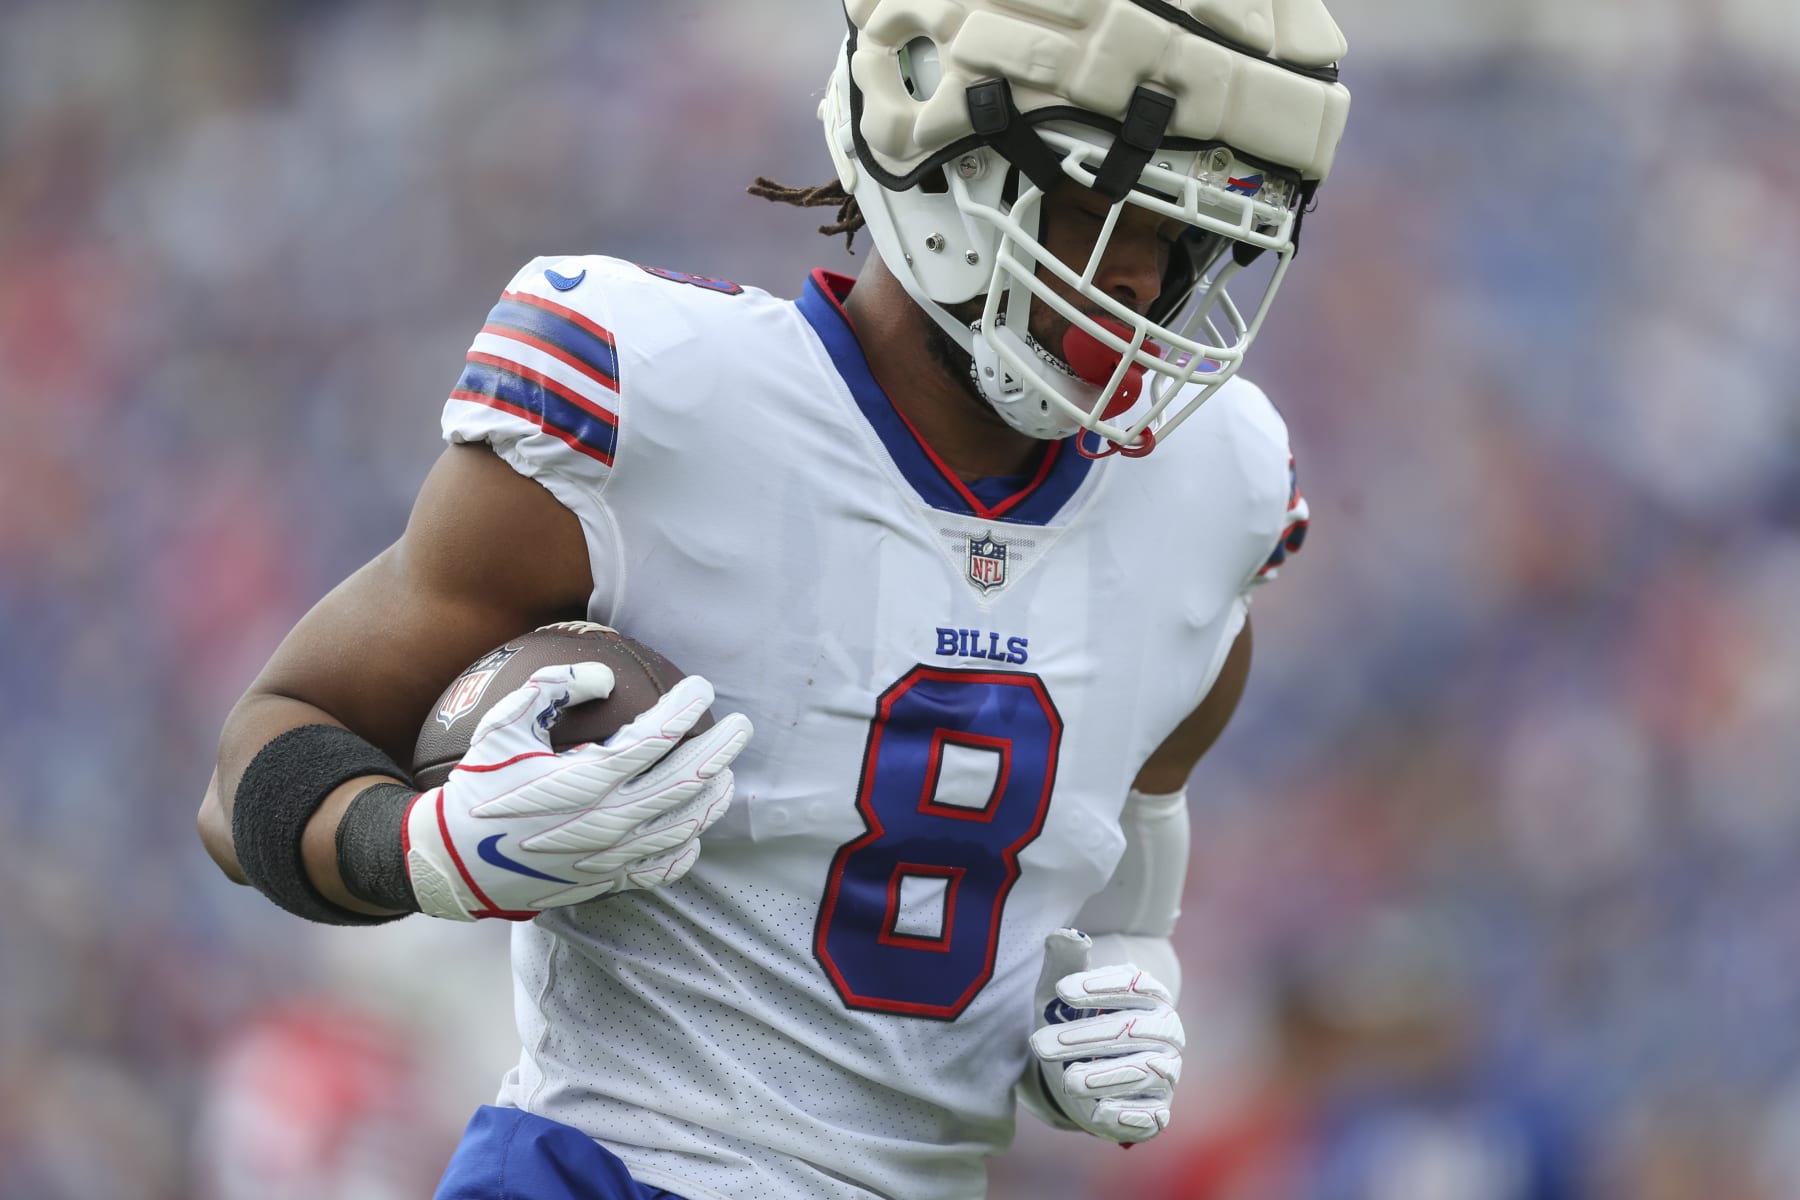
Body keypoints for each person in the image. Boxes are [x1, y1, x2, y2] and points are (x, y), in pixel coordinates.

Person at [198, 2, 1352, 1197]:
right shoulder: (661, 401)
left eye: (1181, 235)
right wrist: (425, 851)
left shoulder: (1216, 491)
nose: (1141, 281)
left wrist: (1116, 983)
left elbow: (1135, 820)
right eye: (1094, 205)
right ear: (935, 141)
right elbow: (255, 767)